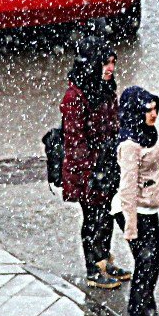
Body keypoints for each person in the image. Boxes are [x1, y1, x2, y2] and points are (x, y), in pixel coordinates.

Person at [61, 35, 132, 289]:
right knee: (93, 218)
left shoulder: (106, 88)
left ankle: (104, 260)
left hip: (106, 164)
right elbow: (75, 140)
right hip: (88, 170)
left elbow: (114, 124)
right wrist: (90, 172)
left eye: (113, 62)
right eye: (105, 63)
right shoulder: (76, 97)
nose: (111, 68)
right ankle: (94, 268)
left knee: (108, 215)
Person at [112, 86, 159, 316]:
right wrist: (130, 225)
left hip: (148, 207)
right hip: (132, 209)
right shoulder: (130, 144)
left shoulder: (148, 132)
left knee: (152, 261)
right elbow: (127, 187)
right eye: (148, 110)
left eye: (155, 109)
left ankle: (148, 308)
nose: (153, 114)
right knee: (146, 262)